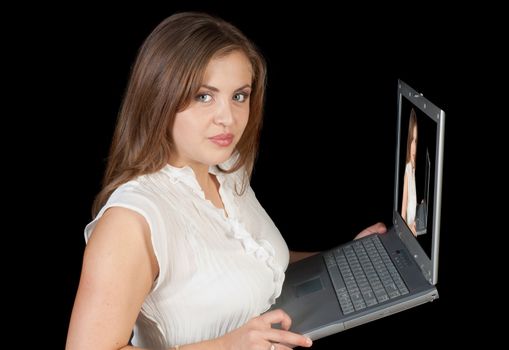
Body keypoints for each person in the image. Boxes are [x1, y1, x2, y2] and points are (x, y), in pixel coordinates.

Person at [66, 12, 386, 350]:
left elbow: (253, 262)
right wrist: (225, 346)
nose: (228, 118)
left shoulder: (227, 171)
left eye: (239, 96)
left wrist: (348, 256)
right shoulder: (131, 221)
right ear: (159, 97)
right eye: (204, 96)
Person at [401, 108, 418, 236]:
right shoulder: (408, 169)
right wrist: (408, 229)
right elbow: (403, 212)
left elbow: (412, 200)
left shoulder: (413, 167)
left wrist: (419, 206)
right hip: (408, 229)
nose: (414, 146)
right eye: (412, 140)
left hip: (413, 224)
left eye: (416, 141)